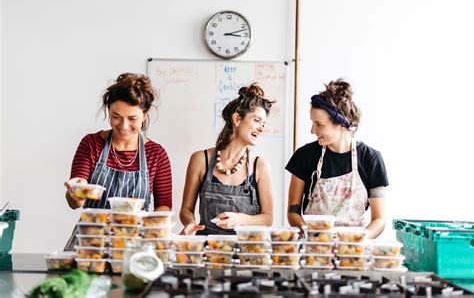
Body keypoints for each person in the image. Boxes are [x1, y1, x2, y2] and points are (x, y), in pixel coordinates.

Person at [64, 73, 172, 248]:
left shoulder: (156, 154)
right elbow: (75, 202)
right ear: (108, 111)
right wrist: (75, 193)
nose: (123, 125)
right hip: (91, 241)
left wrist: (151, 228)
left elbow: (164, 206)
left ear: (144, 115)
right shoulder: (91, 144)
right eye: (116, 116)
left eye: (132, 118)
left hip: (135, 242)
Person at [286, 79, 388, 239]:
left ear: (342, 123)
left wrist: (358, 240)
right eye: (313, 123)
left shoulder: (371, 159)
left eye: (319, 124)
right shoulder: (304, 156)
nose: (313, 130)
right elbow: (293, 212)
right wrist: (313, 233)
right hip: (314, 247)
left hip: (353, 252)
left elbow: (379, 219)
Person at [179, 83, 274, 235]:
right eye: (257, 121)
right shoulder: (200, 159)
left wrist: (241, 219)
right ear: (237, 118)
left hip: (247, 250)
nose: (261, 128)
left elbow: (267, 218)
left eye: (263, 123)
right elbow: (186, 210)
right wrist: (190, 224)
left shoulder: (260, 165)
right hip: (207, 248)